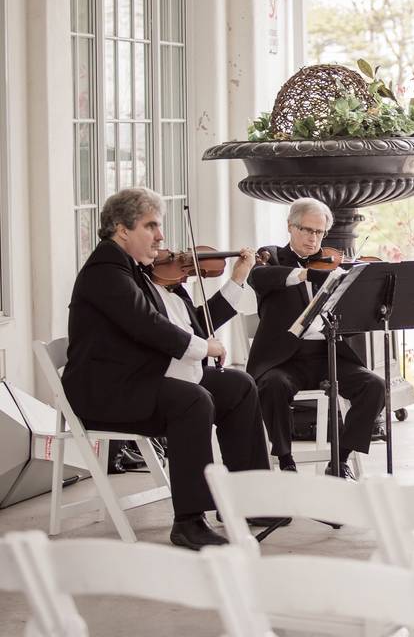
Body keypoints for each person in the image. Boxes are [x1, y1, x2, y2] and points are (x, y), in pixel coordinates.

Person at [62, 187, 275, 550]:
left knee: (237, 386)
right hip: (107, 392)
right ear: (121, 229)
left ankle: (244, 498)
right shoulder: (106, 270)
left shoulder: (139, 271)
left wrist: (234, 282)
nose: (161, 237)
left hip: (138, 378)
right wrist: (203, 347)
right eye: (151, 226)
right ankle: (190, 521)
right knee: (191, 400)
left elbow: (190, 329)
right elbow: (148, 325)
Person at [247, 198, 385, 478]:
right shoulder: (271, 256)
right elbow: (257, 278)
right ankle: (286, 461)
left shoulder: (333, 266)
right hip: (284, 360)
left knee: (375, 386)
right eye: (306, 230)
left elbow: (353, 322)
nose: (313, 238)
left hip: (328, 354)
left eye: (319, 232)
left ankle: (340, 460)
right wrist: (303, 274)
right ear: (290, 226)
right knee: (273, 386)